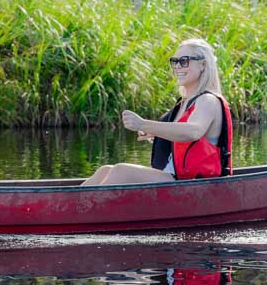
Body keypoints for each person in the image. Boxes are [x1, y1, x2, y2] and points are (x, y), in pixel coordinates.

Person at [83, 37, 232, 186]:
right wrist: (156, 132)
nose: (177, 67)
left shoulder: (208, 100)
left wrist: (143, 124)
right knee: (105, 170)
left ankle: (88, 208)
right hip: (178, 177)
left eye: (184, 61)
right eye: (175, 61)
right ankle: (74, 207)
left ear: (203, 65)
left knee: (121, 171)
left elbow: (193, 131)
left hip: (196, 183)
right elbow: (180, 133)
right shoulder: (184, 103)